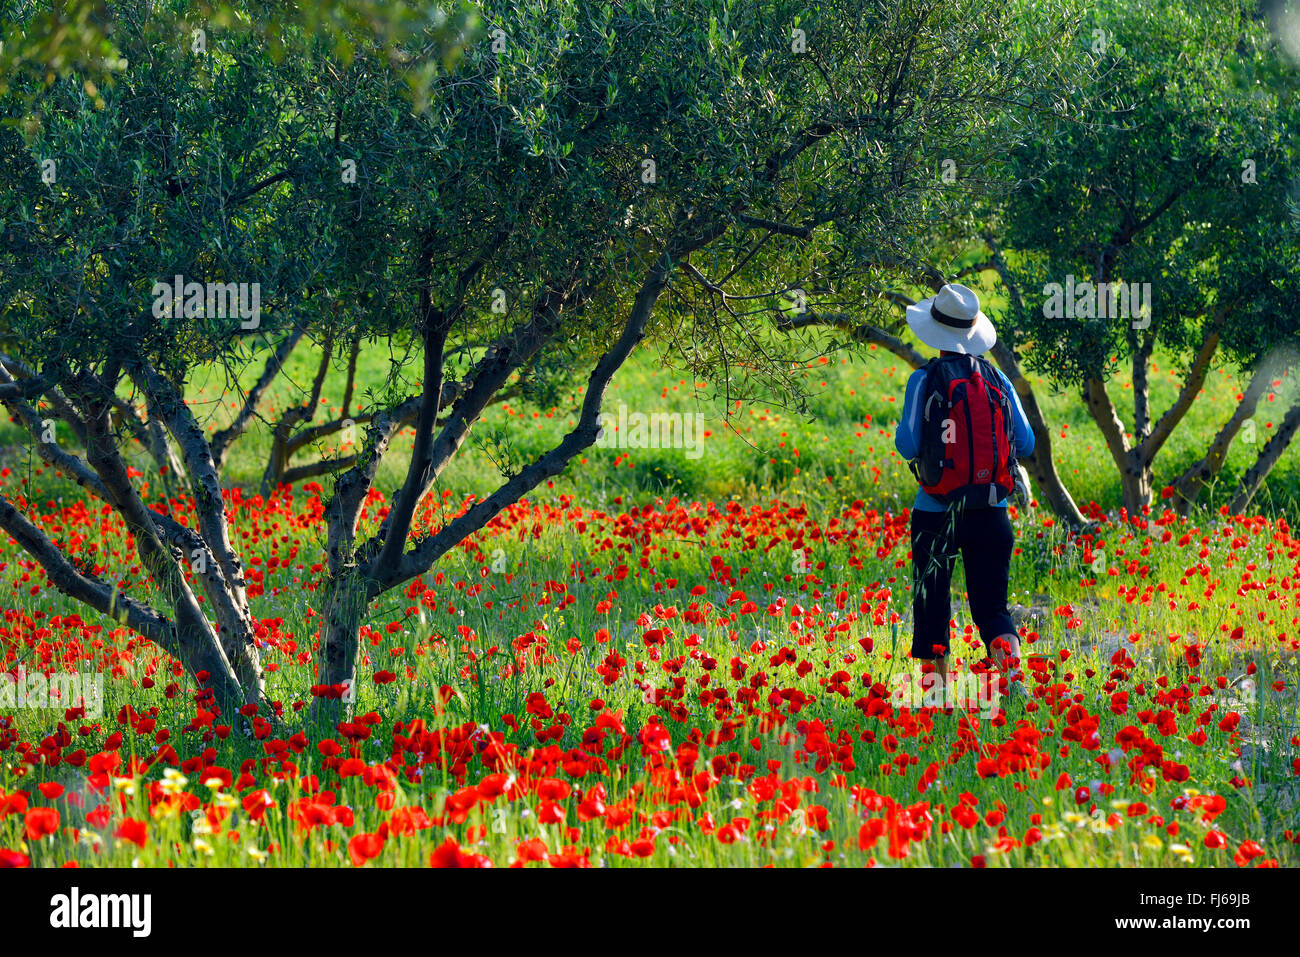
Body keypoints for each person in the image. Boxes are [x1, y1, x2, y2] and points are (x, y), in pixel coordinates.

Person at [893, 283, 1034, 704]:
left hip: (936, 512)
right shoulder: (998, 379)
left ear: (934, 333)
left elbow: (908, 445)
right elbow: (1025, 443)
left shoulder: (924, 379)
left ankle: (937, 701)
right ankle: (1012, 684)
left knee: (932, 606)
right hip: (992, 512)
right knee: (993, 609)